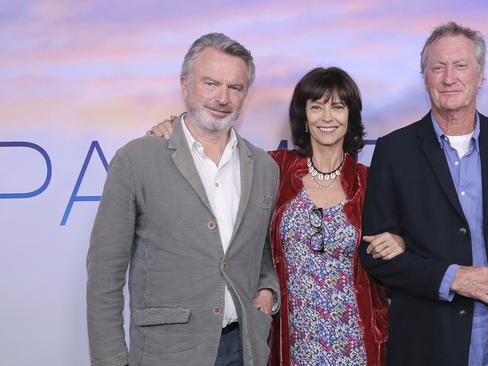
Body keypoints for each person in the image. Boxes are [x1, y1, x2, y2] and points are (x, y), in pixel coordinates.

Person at [149, 67, 405, 365]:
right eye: (316, 106)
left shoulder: (369, 182)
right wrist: (174, 127)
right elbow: (217, 151)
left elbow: (396, 248)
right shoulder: (275, 168)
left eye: (337, 107)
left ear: (350, 118)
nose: (327, 117)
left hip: (356, 342)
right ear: (304, 117)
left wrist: (399, 242)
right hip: (290, 339)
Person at [359, 22, 488, 366]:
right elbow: (376, 255)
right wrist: (452, 278)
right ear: (426, 77)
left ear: (480, 76)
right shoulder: (395, 151)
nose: (449, 77)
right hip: (429, 344)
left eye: (461, 65)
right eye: (438, 67)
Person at [87, 33, 280, 366]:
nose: (222, 98)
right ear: (185, 85)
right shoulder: (137, 159)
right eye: (210, 83)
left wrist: (267, 291)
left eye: (235, 88)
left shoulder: (263, 166)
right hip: (166, 352)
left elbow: (262, 249)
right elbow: (105, 276)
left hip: (243, 348)